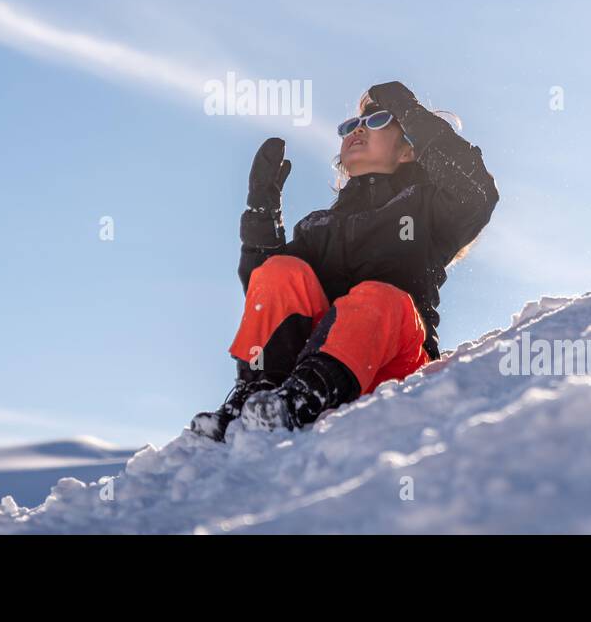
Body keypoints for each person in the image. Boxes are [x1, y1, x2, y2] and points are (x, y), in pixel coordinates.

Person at [190, 80, 498, 439]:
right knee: (280, 271)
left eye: (378, 120)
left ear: (408, 151)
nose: (359, 129)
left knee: (377, 296)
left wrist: (408, 109)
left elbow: (475, 192)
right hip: (313, 359)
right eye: (351, 126)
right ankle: (257, 397)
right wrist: (261, 215)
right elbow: (267, 295)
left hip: (394, 365)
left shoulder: (427, 209)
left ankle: (305, 397)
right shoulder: (320, 226)